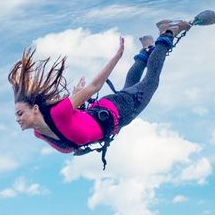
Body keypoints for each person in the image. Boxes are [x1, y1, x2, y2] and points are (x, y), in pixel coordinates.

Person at [10, 20, 192, 154]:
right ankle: (147, 49)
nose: (17, 119)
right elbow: (77, 126)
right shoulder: (39, 134)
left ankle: (167, 32)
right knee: (133, 86)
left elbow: (94, 86)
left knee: (150, 83)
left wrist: (116, 57)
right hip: (110, 113)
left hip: (119, 110)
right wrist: (79, 106)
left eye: (20, 113)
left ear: (34, 109)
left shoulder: (58, 112)